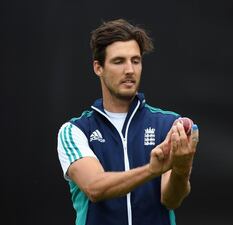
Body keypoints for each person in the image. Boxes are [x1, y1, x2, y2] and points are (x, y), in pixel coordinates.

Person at [56, 18, 199, 225]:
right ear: (98, 68)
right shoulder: (74, 130)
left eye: (135, 60)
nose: (130, 70)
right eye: (118, 61)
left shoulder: (169, 123)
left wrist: (182, 168)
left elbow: (171, 199)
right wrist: (151, 170)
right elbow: (95, 188)